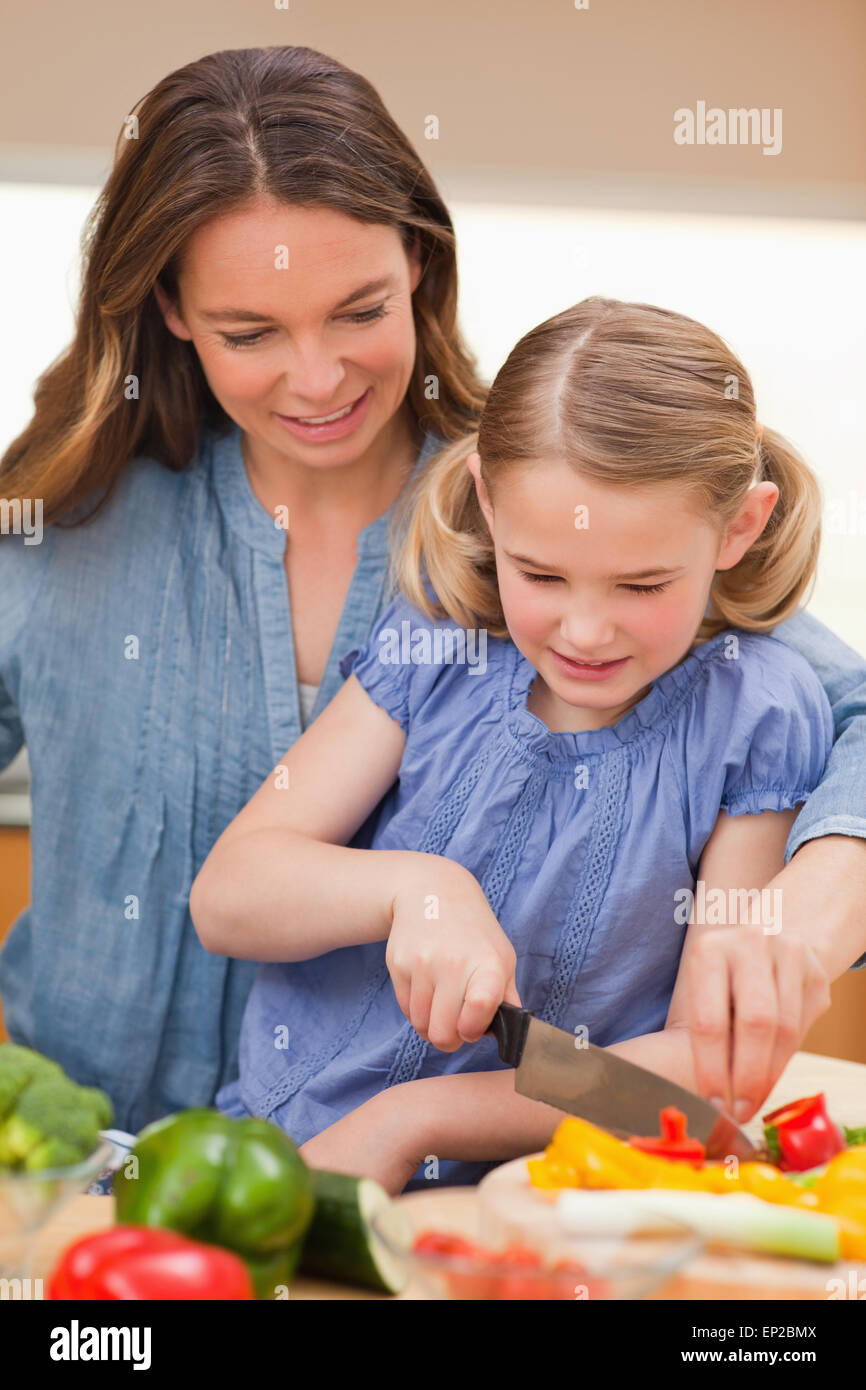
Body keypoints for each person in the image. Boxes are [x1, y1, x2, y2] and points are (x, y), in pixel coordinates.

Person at [1, 47, 865, 1142]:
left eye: (356, 308)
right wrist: (407, 888)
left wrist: (809, 900)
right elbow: (236, 893)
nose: (315, 380)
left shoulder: (552, 506)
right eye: (250, 331)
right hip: (71, 1181)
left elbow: (839, 712)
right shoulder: (50, 530)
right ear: (169, 307)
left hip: (466, 1197)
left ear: (417, 259)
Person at [190, 297, 865, 1194]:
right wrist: (415, 890)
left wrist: (410, 1121)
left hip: (542, 1201)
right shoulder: (439, 641)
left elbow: (709, 1072)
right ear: (487, 505)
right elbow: (229, 896)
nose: (585, 630)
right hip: (281, 1154)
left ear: (738, 528)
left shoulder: (757, 715)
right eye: (541, 574)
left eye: (641, 583)